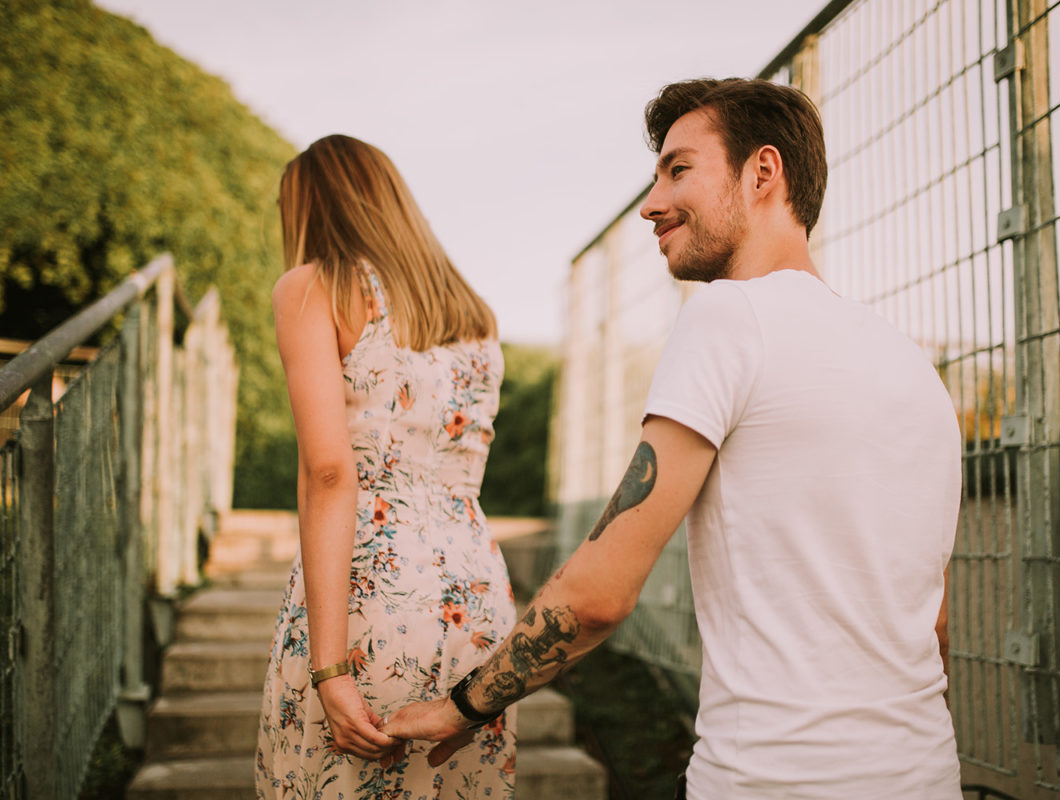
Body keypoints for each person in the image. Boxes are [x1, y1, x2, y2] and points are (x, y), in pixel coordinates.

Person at [382, 78, 962, 798]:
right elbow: (932, 626)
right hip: (924, 776)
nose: (652, 203)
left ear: (763, 172)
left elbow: (597, 594)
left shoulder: (728, 317)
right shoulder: (911, 365)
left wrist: (459, 706)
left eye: (678, 169)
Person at [255, 134, 517, 799]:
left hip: (372, 587)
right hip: (474, 590)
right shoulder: (473, 315)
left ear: (313, 210)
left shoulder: (314, 287)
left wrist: (330, 669)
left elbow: (329, 472)